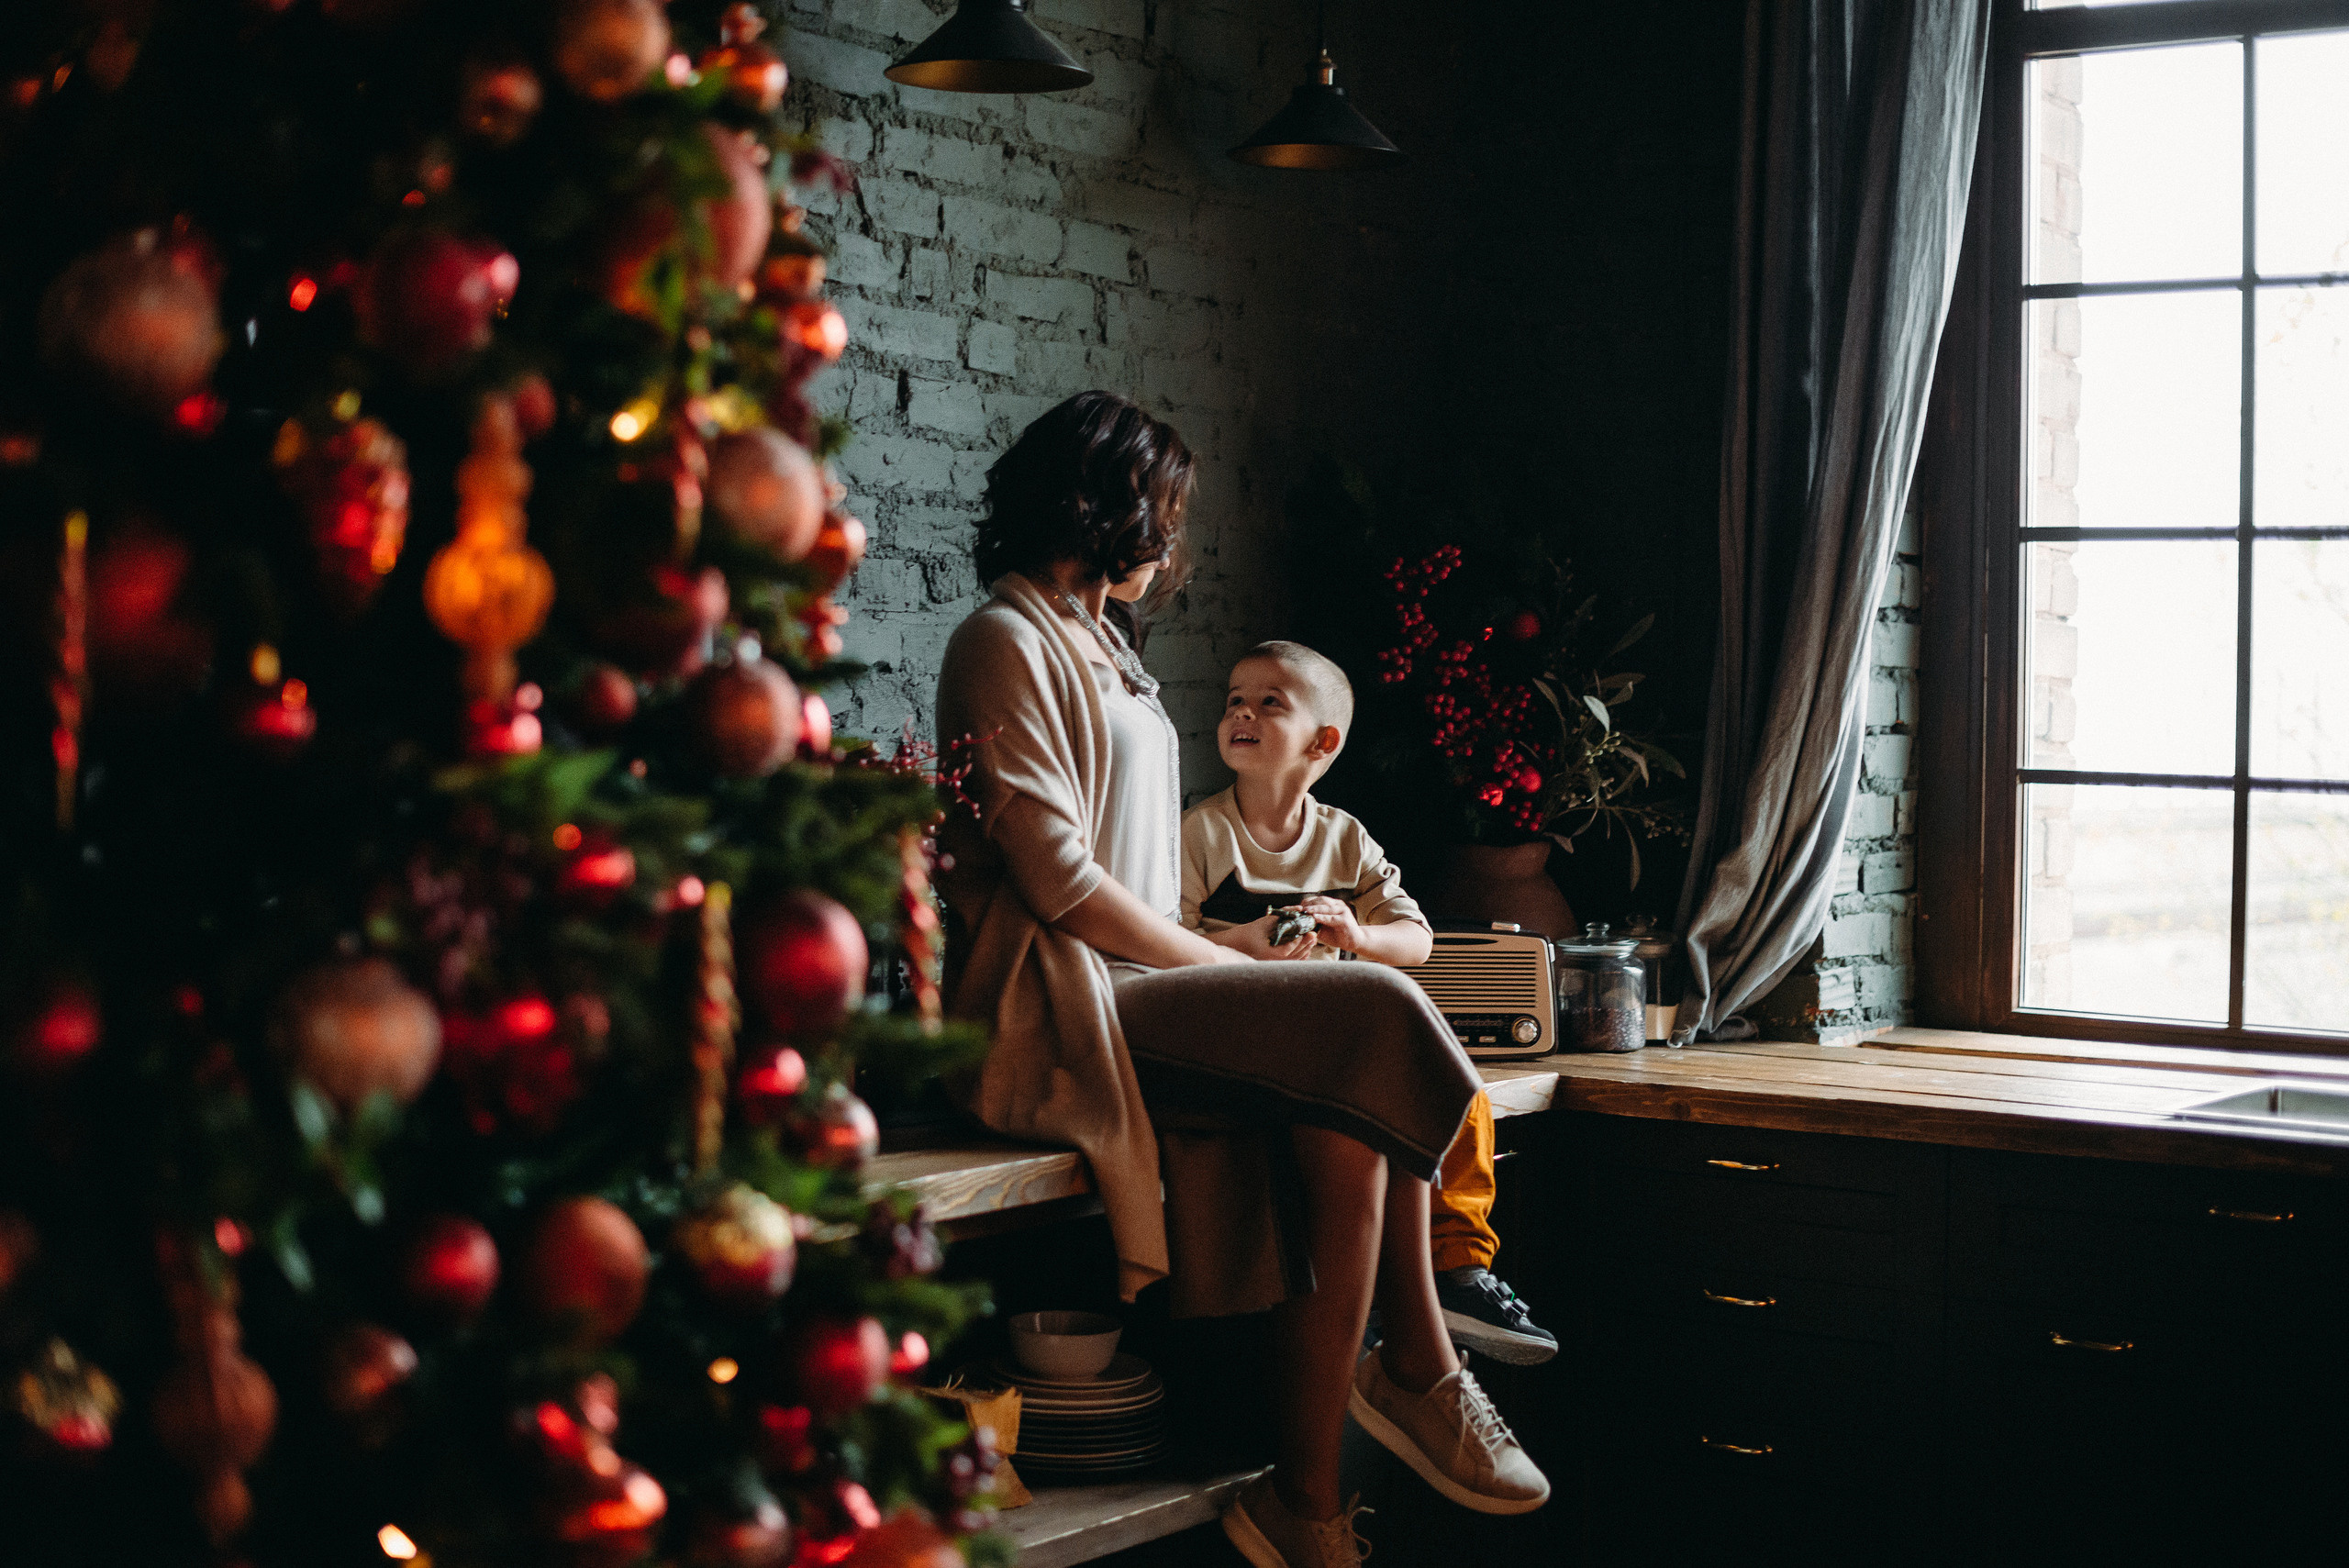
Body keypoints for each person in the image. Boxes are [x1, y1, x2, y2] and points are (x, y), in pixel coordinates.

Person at [934, 394, 1549, 1568]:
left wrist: (1232, 967)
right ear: (1106, 500)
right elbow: (1057, 882)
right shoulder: (1002, 640)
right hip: (1065, 990)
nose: (1172, 540)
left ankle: (1303, 1500)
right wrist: (1225, 959)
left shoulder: (1104, 646)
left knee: (1349, 1118)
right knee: (1372, 1005)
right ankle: (1419, 1359)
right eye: (1165, 510)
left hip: (1144, 974)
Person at [1183, 640, 1559, 1367]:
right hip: (1246, 1029)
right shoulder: (1203, 831)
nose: (1242, 712)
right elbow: (1167, 933)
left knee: (1455, 1080)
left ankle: (1457, 1267)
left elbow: (1416, 939)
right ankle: (1382, 1294)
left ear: (1323, 742)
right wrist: (1247, 940)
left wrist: (1355, 932)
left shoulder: (1344, 837)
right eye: (1234, 697)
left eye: (1269, 701)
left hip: (1340, 1032)